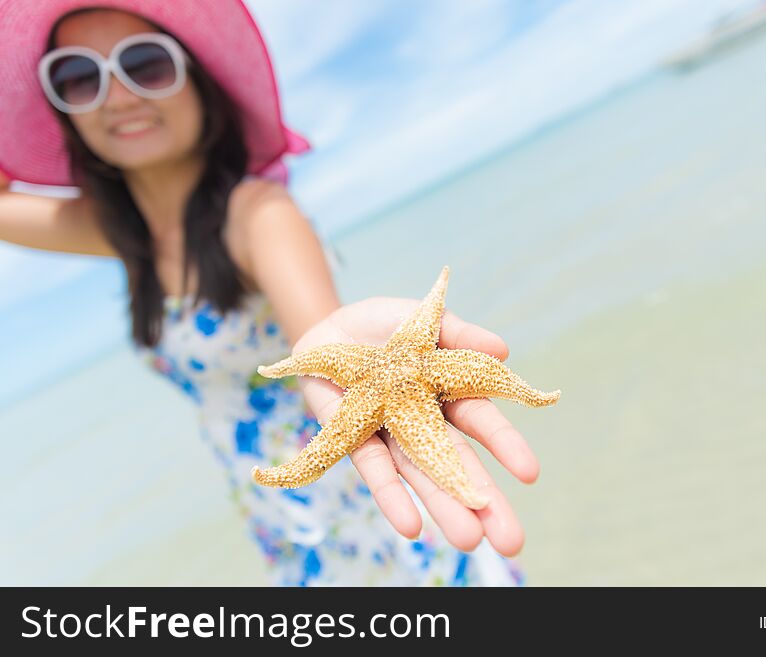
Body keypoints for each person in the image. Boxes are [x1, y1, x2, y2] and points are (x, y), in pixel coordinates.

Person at [0, 0, 539, 586]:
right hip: (288, 526)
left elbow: (319, 335)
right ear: (62, 110)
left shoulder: (259, 216)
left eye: (146, 65)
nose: (118, 95)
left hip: (371, 510)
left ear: (199, 82)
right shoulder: (125, 235)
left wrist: (348, 351)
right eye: (77, 78)